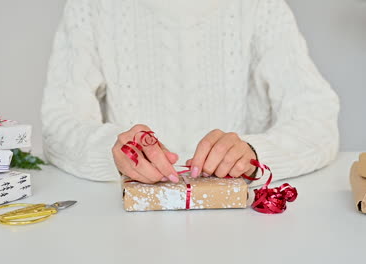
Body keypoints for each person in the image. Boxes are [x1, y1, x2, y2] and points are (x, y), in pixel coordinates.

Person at [41, 0, 339, 185]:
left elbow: (318, 120)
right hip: (128, 228)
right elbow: (59, 124)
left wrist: (255, 153)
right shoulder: (90, 6)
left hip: (242, 224)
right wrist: (113, 153)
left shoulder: (261, 6)